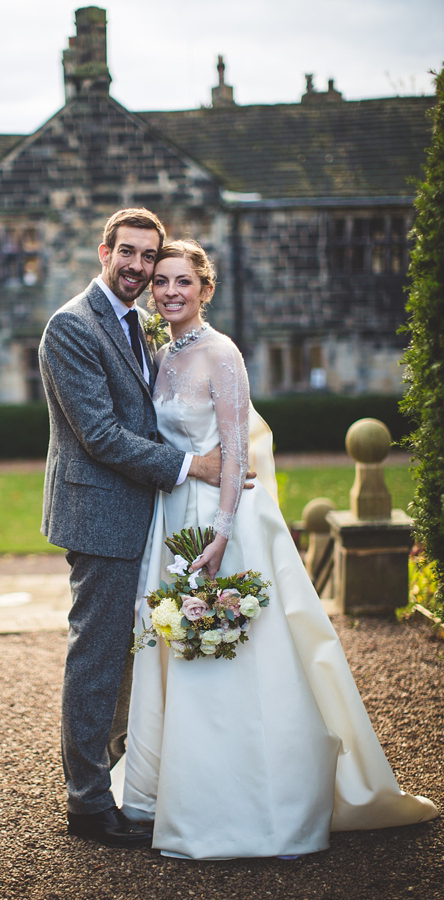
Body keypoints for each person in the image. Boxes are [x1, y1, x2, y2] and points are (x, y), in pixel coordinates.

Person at [120, 239, 439, 859]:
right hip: (174, 516)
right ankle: (179, 790)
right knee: (176, 648)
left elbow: (237, 450)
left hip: (223, 525)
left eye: (183, 282)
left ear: (205, 289)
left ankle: (255, 802)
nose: (170, 293)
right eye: (161, 282)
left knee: (239, 648)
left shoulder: (222, 354)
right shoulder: (160, 354)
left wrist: (221, 534)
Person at [39, 210, 253, 849]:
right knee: (99, 657)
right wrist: (197, 464)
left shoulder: (144, 326)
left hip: (151, 513)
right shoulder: (72, 327)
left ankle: (135, 779)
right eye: (127, 253)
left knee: (141, 656)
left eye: (148, 257)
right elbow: (100, 434)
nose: (137, 267)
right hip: (101, 515)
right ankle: (87, 804)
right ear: (104, 250)